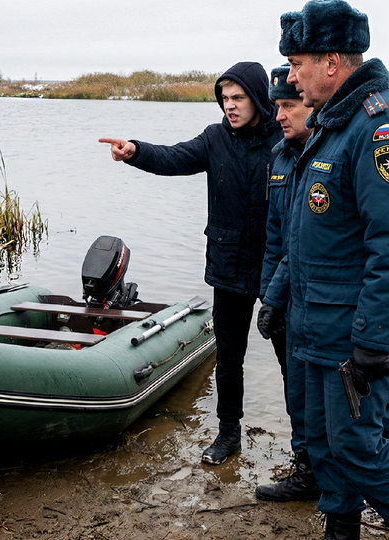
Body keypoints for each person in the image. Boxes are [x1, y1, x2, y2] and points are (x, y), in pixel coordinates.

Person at [271, 1, 389, 538]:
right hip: (315, 322)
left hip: (352, 329)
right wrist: (280, 297)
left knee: (356, 442)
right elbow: (306, 236)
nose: (290, 76)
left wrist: (372, 340)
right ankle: (341, 529)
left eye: (298, 63)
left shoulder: (382, 126)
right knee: (326, 442)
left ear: (331, 62)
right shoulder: (333, 124)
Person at [99, 62, 282, 466]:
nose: (229, 107)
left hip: (276, 269)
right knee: (230, 358)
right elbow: (176, 157)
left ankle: (305, 447)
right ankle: (228, 433)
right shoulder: (215, 138)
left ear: (259, 98)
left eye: (238, 98)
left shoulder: (284, 135)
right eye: (224, 98)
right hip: (228, 266)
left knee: (291, 359)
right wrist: (135, 151)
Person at [253, 63, 319, 502]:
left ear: (312, 106)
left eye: (290, 106)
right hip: (281, 299)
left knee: (359, 398)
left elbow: (303, 245)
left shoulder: (325, 155)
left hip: (312, 299)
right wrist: (267, 296)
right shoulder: (280, 156)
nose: (280, 115)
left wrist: (275, 295)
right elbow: (275, 238)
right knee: (294, 386)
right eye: (277, 106)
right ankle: (308, 469)